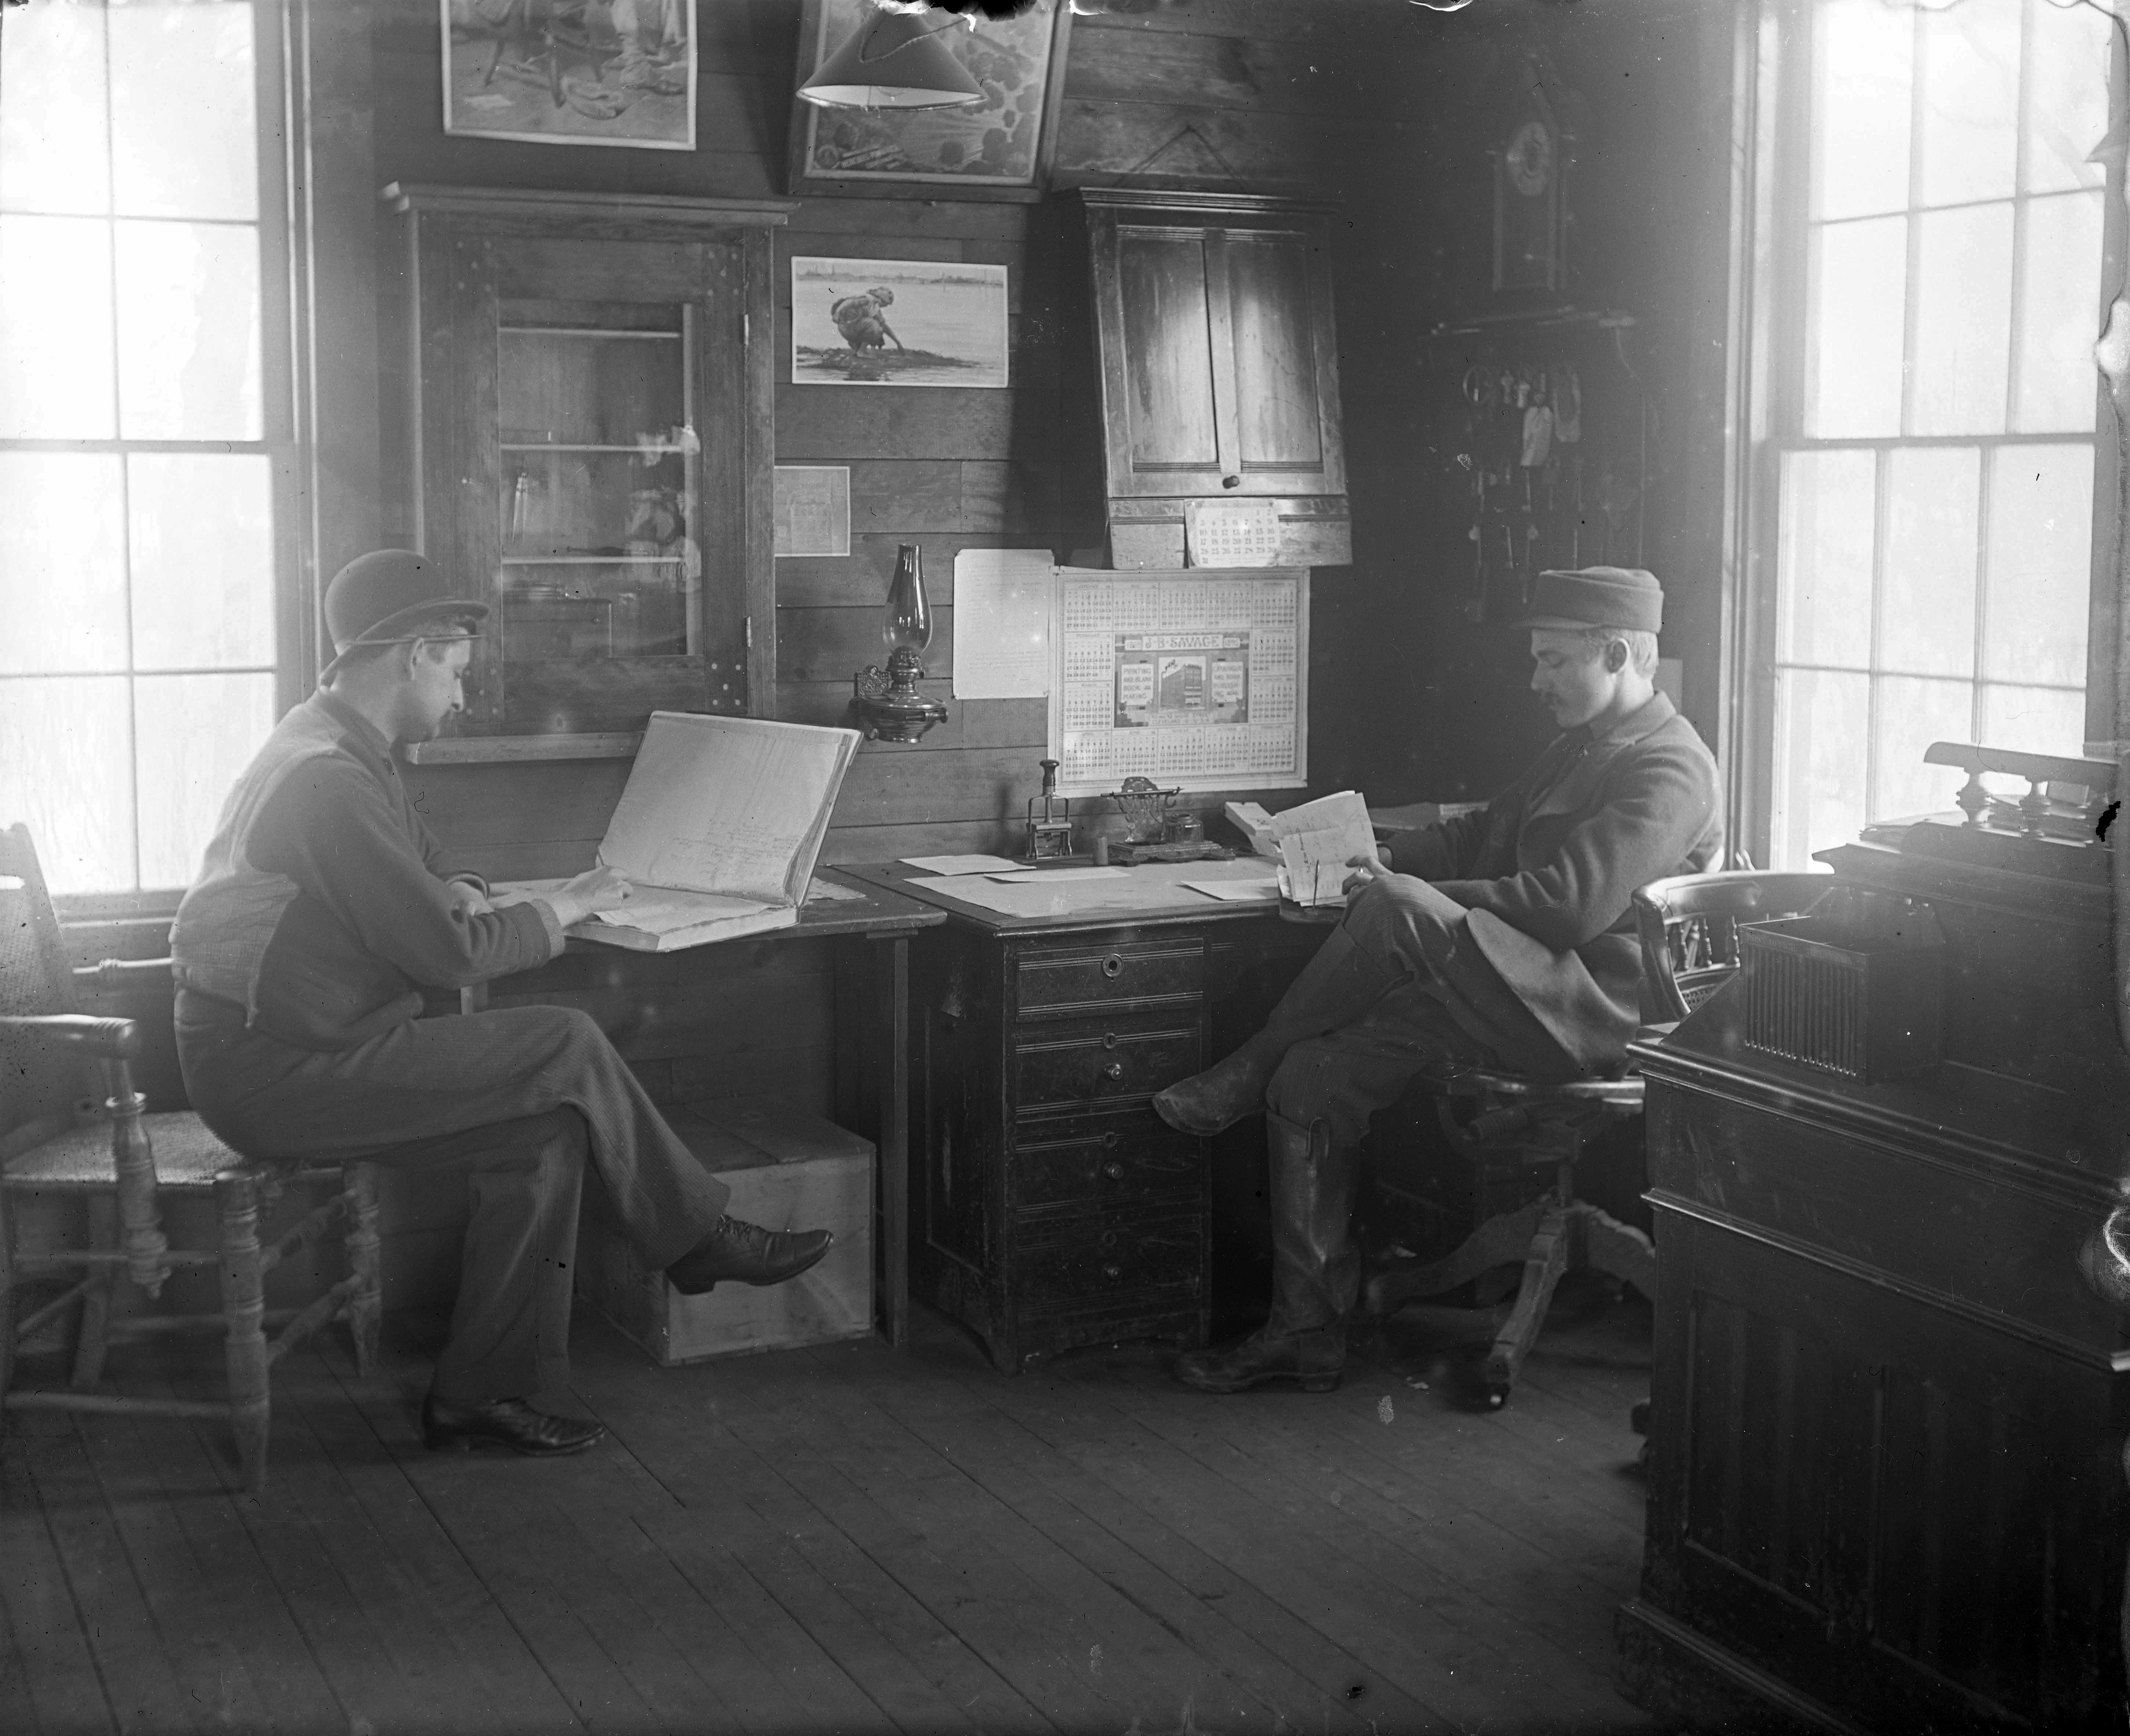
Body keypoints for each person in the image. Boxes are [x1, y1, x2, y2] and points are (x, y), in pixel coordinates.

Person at [171, 550, 834, 1457]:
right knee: (563, 1039)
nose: (459, 695)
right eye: (453, 670)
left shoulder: (341, 744)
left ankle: (487, 1390)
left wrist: (475, 888)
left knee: (545, 1134)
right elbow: (450, 951)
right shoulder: (326, 780)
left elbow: (431, 869)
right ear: (411, 654)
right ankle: (696, 1236)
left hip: (314, 1046)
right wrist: (564, 904)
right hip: (272, 1071)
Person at [1152, 566, 1722, 1395]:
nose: (1537, 680)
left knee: (1394, 913)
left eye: (1555, 661)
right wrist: (1378, 855)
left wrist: (1407, 893)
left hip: (1592, 1013)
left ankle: (1245, 1067)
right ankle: (1305, 1331)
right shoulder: (1585, 741)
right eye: (1537, 660)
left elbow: (1566, 908)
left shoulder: (1670, 769)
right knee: (1316, 1078)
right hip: (1519, 987)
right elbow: (1483, 832)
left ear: (1622, 652)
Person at [829, 286, 902, 353]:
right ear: (881, 299)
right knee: (874, 325)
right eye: (886, 304)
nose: (886, 306)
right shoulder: (867, 300)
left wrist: (897, 342)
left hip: (851, 328)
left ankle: (857, 347)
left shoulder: (875, 307)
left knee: (879, 329)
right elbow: (850, 302)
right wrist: (837, 313)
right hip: (846, 328)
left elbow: (884, 326)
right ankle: (861, 352)